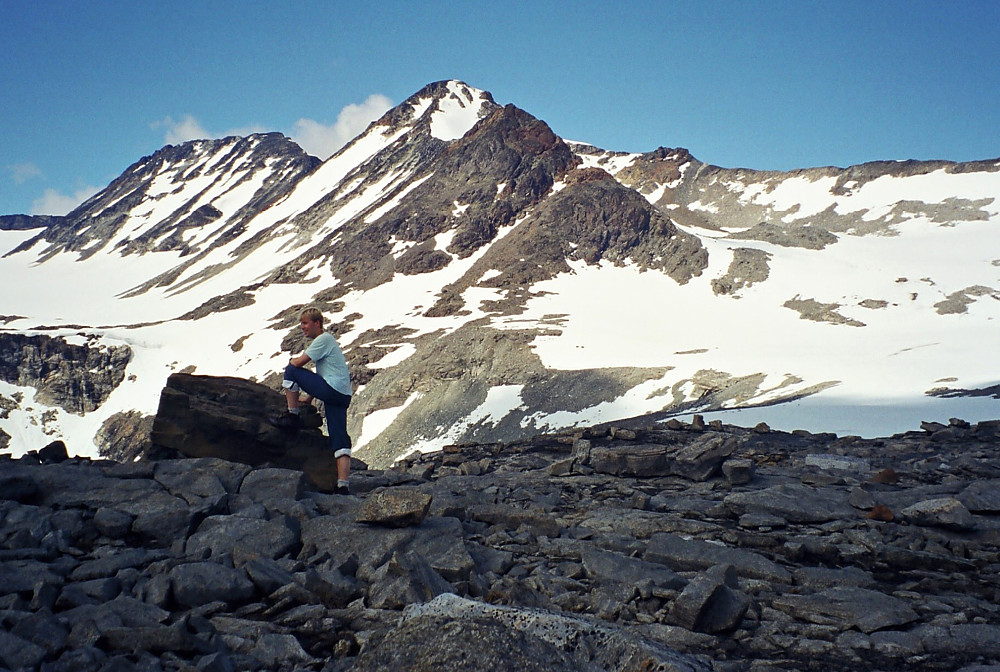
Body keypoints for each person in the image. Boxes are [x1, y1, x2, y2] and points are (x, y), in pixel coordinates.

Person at [269, 307, 353, 495]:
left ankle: (292, 415)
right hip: (342, 395)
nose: (302, 328)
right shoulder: (328, 341)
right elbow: (326, 374)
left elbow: (298, 364)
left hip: (332, 390)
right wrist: (309, 397)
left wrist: (292, 361)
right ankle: (343, 485)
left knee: (291, 370)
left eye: (305, 323)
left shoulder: (323, 339)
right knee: (339, 437)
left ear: (317, 323)